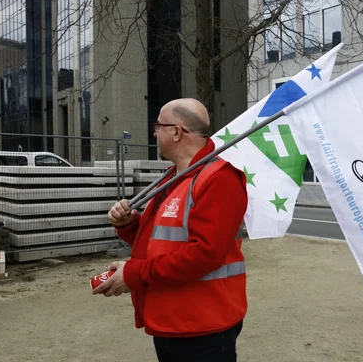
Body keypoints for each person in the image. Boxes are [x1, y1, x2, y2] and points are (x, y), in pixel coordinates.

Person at [93, 98, 248, 362]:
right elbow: (162, 237)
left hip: (203, 326)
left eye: (158, 125)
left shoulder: (219, 179)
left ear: (176, 131)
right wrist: (129, 225)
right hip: (173, 319)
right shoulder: (173, 176)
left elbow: (204, 254)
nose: (154, 132)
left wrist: (133, 274)